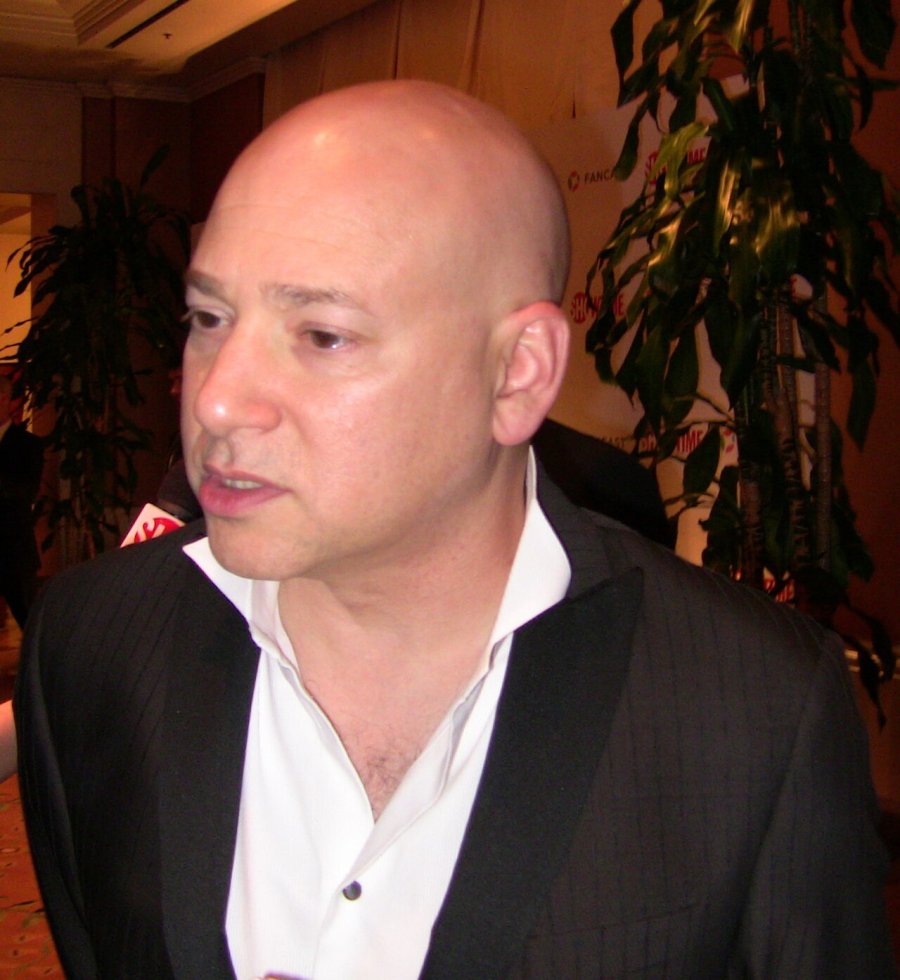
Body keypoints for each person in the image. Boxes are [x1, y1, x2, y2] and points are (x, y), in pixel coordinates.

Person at [14, 81, 893, 979]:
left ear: (517, 373)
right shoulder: (93, 646)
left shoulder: (752, 710)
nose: (217, 399)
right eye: (209, 318)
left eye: (322, 335)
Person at [0, 374, 43, 629]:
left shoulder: (27, 445)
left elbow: (27, 492)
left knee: (29, 620)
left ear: (6, 400)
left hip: (13, 549)